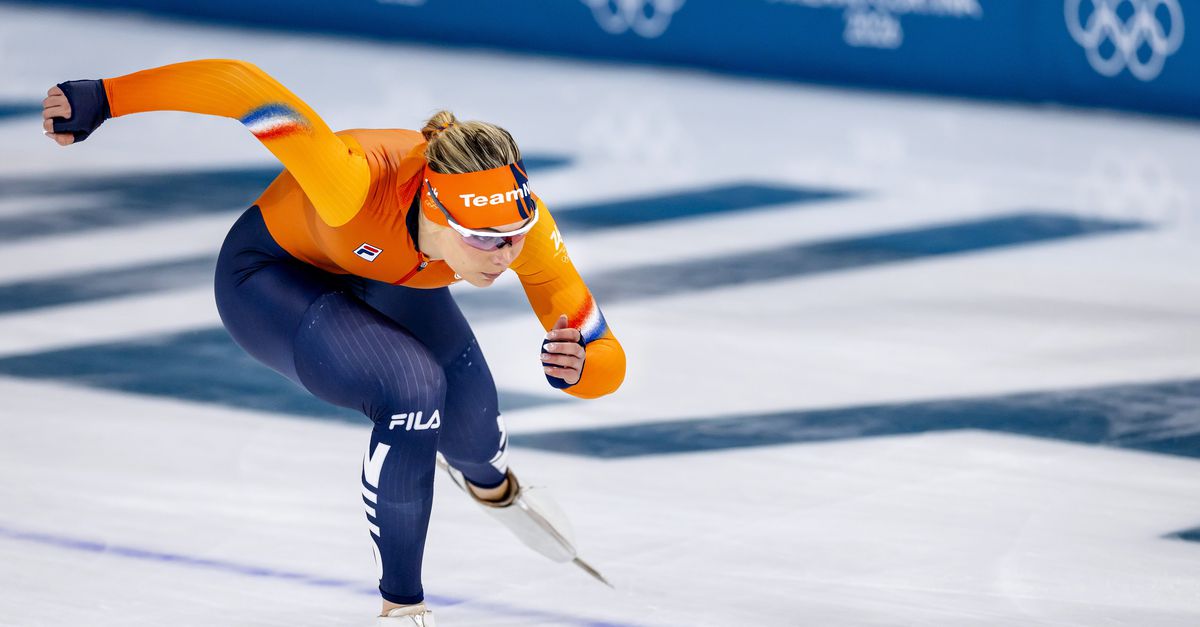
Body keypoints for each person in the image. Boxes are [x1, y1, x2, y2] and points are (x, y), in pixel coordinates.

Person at [41, 59, 626, 626]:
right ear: (437, 213)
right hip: (270, 278)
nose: (506, 256)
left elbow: (606, 358)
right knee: (414, 388)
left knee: (472, 430)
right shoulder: (352, 182)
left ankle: (496, 488)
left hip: (387, 274)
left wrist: (582, 367)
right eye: (485, 240)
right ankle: (402, 608)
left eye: (515, 236)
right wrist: (108, 97)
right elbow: (242, 88)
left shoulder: (522, 227)